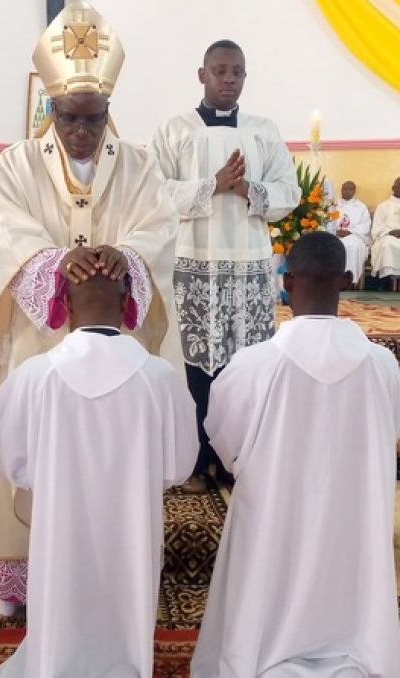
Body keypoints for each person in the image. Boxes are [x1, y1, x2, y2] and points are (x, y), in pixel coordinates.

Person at [0, 0, 181, 616]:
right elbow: (8, 230)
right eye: (69, 119)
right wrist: (54, 262)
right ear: (50, 110)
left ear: (108, 112)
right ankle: (24, 580)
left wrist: (125, 257)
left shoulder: (139, 164)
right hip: (44, 338)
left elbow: (159, 229)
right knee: (35, 454)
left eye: (92, 119)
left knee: (112, 464)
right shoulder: (16, 163)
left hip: (116, 346)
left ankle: (113, 579)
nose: (81, 132)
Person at [179, 231, 400, 678]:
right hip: (353, 534)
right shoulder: (381, 364)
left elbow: (224, 440)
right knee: (349, 650)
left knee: (260, 655)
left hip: (273, 534)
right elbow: (388, 431)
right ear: (348, 282)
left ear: (286, 285)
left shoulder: (254, 365)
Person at [0, 273, 198, 678]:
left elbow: (15, 467)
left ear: (65, 303)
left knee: (61, 624)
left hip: (60, 534)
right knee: (124, 617)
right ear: (127, 304)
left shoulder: (34, 376)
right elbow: (178, 466)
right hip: (132, 534)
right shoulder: (159, 378)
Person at [149, 39, 299, 494]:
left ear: (245, 77)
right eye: (219, 71)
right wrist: (211, 185)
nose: (228, 80)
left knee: (244, 364)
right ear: (202, 75)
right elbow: (152, 195)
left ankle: (237, 457)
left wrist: (248, 190)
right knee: (193, 366)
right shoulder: (173, 130)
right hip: (194, 261)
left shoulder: (264, 131)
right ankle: (194, 458)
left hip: (246, 264)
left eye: (236, 72)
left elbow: (288, 193)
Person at [329, 180, 371, 285]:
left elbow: (365, 225)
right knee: (330, 245)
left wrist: (349, 231)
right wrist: (335, 231)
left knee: (353, 245)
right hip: (335, 234)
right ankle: (333, 279)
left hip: (354, 235)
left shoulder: (361, 207)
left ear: (354, 191)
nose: (347, 191)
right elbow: (326, 222)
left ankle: (351, 280)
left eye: (350, 189)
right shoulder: (333, 205)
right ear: (341, 190)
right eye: (344, 189)